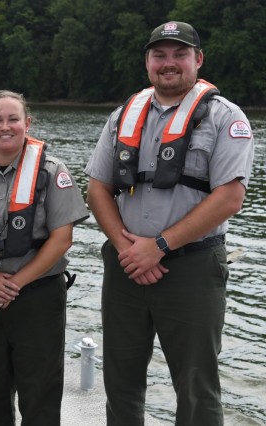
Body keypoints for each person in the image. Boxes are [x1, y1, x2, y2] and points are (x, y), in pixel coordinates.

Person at [84, 21, 255, 425]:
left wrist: (158, 246)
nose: (169, 63)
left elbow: (230, 197)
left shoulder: (225, 117)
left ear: (198, 60)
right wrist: (129, 250)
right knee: (121, 381)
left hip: (192, 267)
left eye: (179, 54)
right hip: (126, 266)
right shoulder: (123, 116)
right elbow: (96, 189)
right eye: (159, 55)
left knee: (196, 385)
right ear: (147, 63)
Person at [0, 90, 89, 425]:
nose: (5, 127)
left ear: (28, 123)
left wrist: (15, 284)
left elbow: (62, 238)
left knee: (40, 391)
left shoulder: (52, 171)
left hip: (38, 295)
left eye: (13, 119)